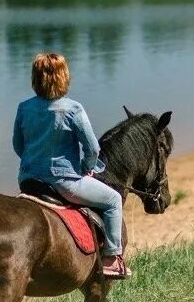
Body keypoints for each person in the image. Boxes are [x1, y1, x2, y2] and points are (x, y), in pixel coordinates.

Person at [12, 52, 130, 279]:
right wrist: (87, 167)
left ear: (35, 78)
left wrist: (33, 163)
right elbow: (93, 149)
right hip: (63, 182)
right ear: (64, 77)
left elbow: (18, 146)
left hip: (28, 180)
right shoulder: (73, 109)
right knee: (114, 200)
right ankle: (112, 258)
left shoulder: (24, 108)